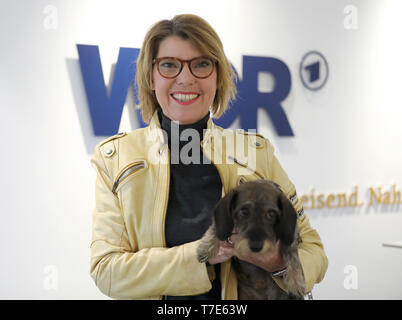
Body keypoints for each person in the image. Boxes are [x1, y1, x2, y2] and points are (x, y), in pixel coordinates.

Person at [90, 14, 328, 300]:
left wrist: (278, 263)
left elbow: (313, 251)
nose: (186, 78)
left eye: (202, 64)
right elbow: (107, 271)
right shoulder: (115, 158)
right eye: (168, 65)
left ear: (217, 75)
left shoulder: (255, 153)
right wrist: (201, 254)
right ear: (150, 77)